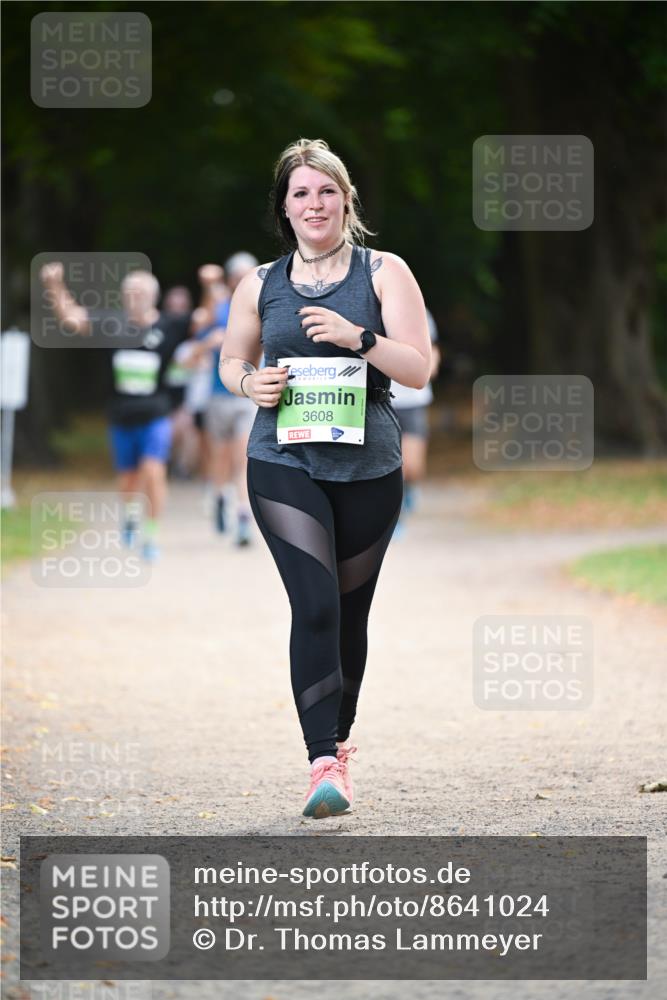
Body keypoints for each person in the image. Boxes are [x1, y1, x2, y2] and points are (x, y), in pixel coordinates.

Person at [219, 138, 431, 818]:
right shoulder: (258, 283)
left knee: (348, 613)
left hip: (369, 463)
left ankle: (338, 748)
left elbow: (418, 368)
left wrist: (357, 338)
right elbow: (229, 358)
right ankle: (318, 765)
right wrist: (251, 381)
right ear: (284, 207)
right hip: (282, 459)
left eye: (325, 191)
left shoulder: (382, 271)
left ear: (346, 199)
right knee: (313, 604)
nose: (314, 204)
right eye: (300, 193)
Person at [39, 263, 219, 561]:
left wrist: (210, 286)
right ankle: (131, 514)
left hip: (156, 414)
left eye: (142, 293)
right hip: (121, 416)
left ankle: (151, 534)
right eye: (130, 294)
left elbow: (205, 318)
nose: (136, 298)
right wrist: (54, 286)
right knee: (128, 480)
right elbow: (73, 319)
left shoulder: (168, 325)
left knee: (153, 469)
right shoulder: (112, 324)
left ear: (154, 296)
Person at [390, 308, 441, 534]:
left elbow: (433, 348)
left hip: (413, 400)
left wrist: (429, 367)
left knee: (413, 467)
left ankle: (409, 489)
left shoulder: (419, 311)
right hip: (382, 400)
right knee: (394, 467)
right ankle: (395, 517)